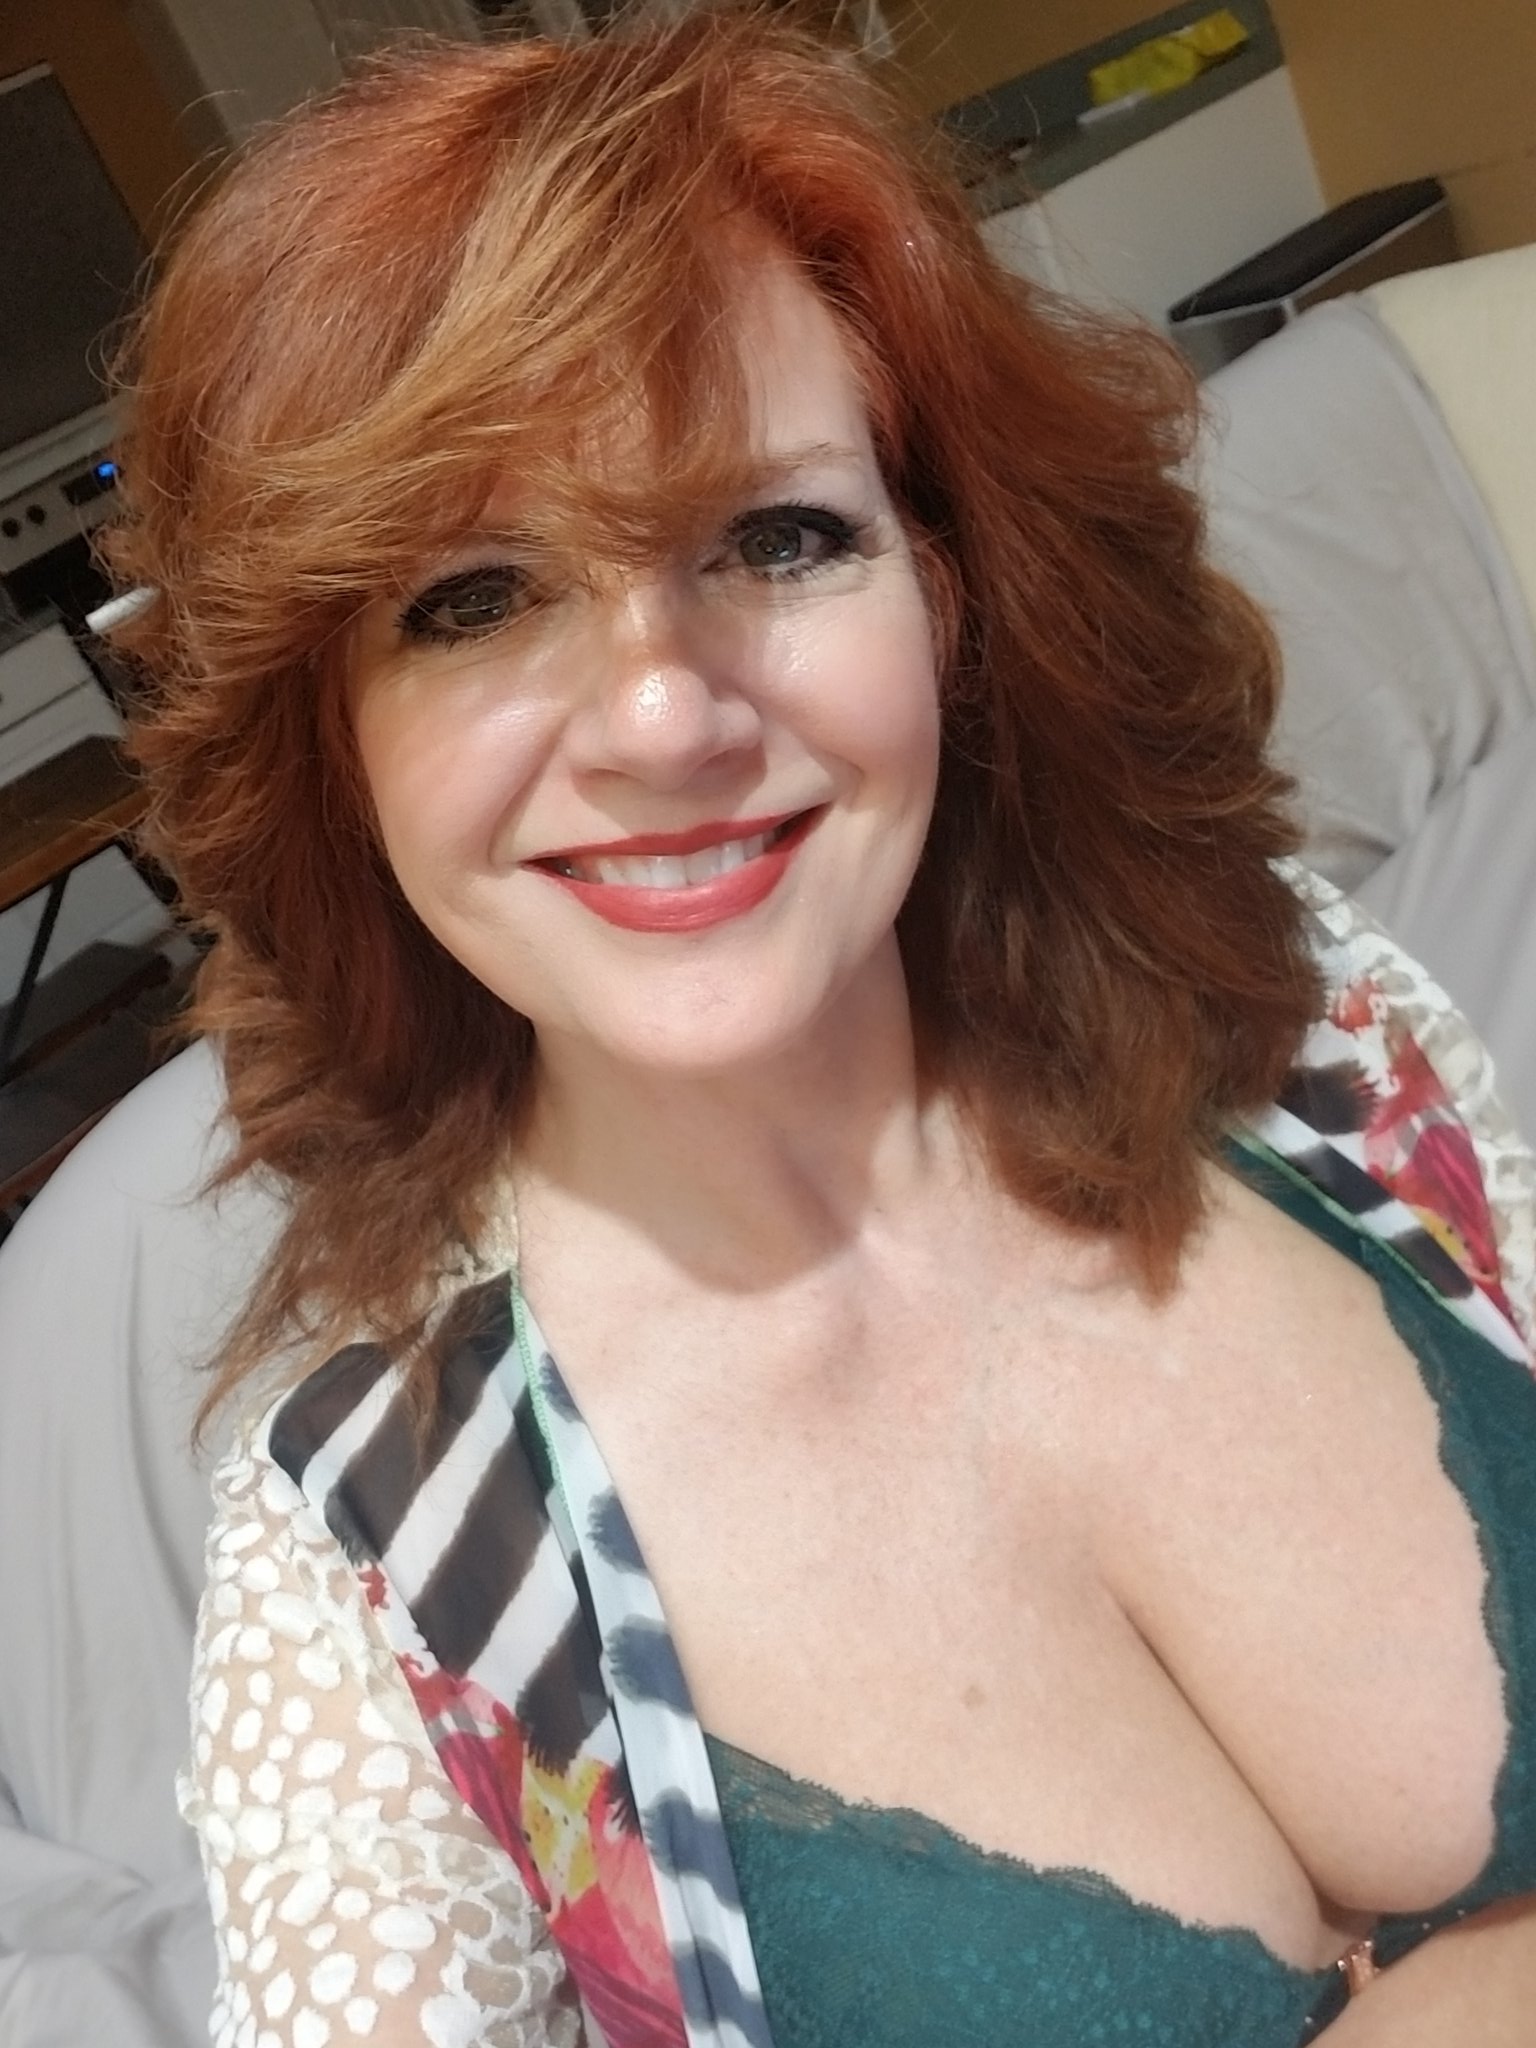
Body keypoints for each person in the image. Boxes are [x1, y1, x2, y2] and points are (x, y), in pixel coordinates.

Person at [105, 12, 1536, 2045]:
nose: (663, 715)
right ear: (330, 741)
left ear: (950, 591)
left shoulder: (1290, 1012)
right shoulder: (379, 1596)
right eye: (473, 595)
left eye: (780, 538)